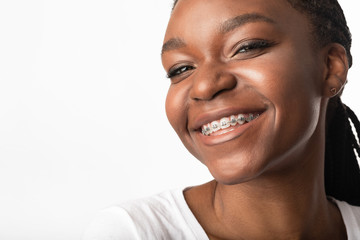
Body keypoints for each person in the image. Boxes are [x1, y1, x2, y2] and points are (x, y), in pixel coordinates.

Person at [83, 0, 360, 239]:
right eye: (181, 68)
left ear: (330, 68)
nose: (204, 86)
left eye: (246, 47)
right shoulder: (133, 232)